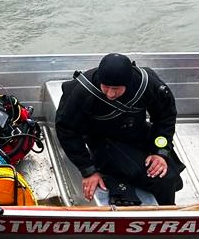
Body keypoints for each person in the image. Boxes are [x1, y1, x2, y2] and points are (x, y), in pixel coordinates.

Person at [54, 52, 184, 206]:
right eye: (106, 87)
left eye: (116, 88)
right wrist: (88, 170)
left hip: (136, 132)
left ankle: (165, 212)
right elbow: (66, 129)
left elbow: (165, 117)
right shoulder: (82, 90)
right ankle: (166, 215)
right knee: (164, 179)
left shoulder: (148, 84)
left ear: (128, 83)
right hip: (104, 141)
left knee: (172, 176)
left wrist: (160, 152)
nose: (109, 94)